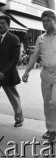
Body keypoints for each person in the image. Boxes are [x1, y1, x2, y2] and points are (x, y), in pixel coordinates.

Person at [22, 10, 56, 143]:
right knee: (47, 103)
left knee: (55, 101)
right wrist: (26, 71)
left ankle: (54, 130)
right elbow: (35, 55)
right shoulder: (40, 38)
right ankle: (50, 128)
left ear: (54, 20)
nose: (45, 24)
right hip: (45, 73)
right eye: (43, 21)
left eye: (48, 21)